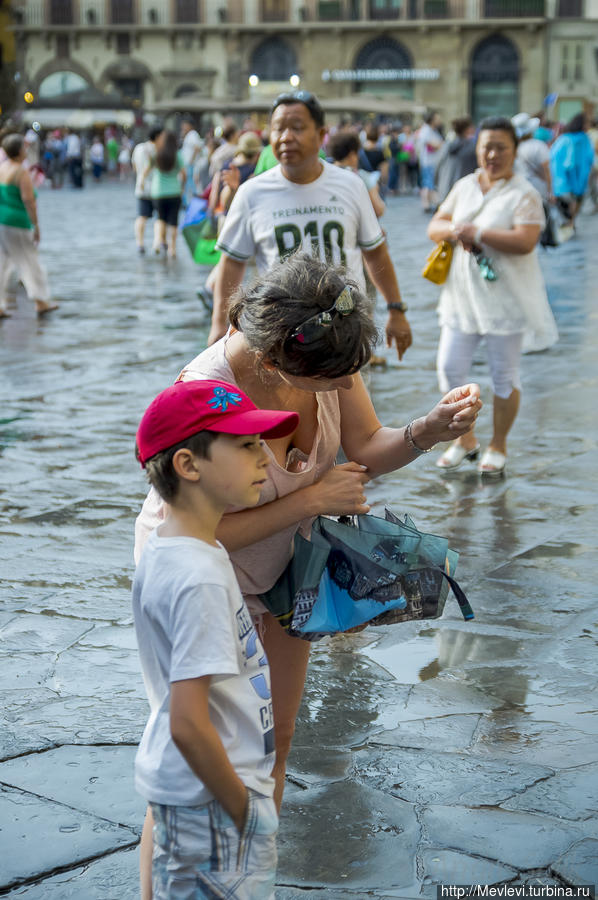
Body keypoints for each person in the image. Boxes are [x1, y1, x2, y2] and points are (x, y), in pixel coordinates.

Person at [135, 251, 482, 898]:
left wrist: (426, 431)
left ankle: (250, 870)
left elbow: (367, 443)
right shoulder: (209, 389)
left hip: (287, 569)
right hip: (207, 569)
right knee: (193, 753)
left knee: (277, 735)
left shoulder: (327, 341)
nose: (336, 389)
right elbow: (197, 529)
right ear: (271, 362)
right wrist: (311, 501)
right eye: (328, 384)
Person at [134, 379, 299, 898]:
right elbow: (187, 722)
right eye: (247, 446)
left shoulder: (173, 547)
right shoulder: (198, 575)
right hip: (214, 802)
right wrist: (247, 813)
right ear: (189, 465)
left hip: (196, 796)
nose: (266, 461)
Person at [209, 90, 412, 360]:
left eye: (297, 128)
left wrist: (396, 309)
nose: (285, 137)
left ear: (320, 134)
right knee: (285, 404)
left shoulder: (350, 186)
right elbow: (232, 263)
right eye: (278, 128)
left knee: (350, 401)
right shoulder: (251, 194)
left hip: (346, 330)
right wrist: (219, 326)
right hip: (281, 333)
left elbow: (375, 252)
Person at [428, 116, 558, 476]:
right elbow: (435, 225)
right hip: (463, 296)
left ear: (515, 150)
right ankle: (465, 440)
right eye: (486, 146)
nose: (492, 153)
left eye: (501, 146)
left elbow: (526, 240)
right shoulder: (466, 185)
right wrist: (457, 230)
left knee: (504, 376)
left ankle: (498, 444)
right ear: (477, 148)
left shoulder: (524, 193)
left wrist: (479, 232)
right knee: (449, 368)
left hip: (507, 300)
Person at [0, 133, 57, 317]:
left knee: (3, 265)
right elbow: (29, 201)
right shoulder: (20, 171)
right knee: (31, 262)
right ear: (19, 151)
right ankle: (41, 301)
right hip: (18, 222)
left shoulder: (2, 168)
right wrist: (36, 225)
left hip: (3, 220)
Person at [550, 113, 595, 227]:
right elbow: (560, 159)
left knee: (574, 200)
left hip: (573, 178)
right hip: (568, 178)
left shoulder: (569, 138)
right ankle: (569, 222)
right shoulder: (570, 139)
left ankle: (570, 222)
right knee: (571, 201)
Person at [145, 130, 185, 258]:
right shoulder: (177, 155)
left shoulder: (156, 154)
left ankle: (157, 241)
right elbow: (184, 174)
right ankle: (172, 248)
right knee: (173, 222)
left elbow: (146, 170)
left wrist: (141, 182)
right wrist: (182, 187)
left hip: (158, 192)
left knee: (160, 218)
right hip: (174, 191)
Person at [328, 130, 385, 218]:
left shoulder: (325, 174)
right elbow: (378, 210)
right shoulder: (361, 177)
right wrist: (375, 189)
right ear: (352, 154)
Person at [132, 125, 162, 254]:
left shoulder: (138, 148)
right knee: (160, 218)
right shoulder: (157, 150)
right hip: (157, 187)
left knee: (142, 216)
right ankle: (157, 242)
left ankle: (140, 244)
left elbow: (134, 166)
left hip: (141, 187)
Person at [435, 116, 477, 204]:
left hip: (445, 189)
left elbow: (438, 165)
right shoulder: (472, 147)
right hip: (464, 192)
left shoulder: (446, 145)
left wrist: (437, 183)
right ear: (468, 129)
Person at [418, 111, 443, 212]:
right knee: (429, 184)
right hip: (428, 162)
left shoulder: (433, 131)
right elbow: (435, 145)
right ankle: (432, 203)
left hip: (433, 162)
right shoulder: (426, 131)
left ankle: (428, 204)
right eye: (437, 118)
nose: (439, 120)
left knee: (428, 184)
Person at [180, 115, 203, 205]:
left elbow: (197, 148)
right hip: (188, 164)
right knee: (188, 184)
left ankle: (193, 203)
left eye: (185, 125)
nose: (183, 127)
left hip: (190, 165)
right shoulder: (190, 135)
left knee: (190, 184)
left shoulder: (192, 134)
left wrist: (191, 161)